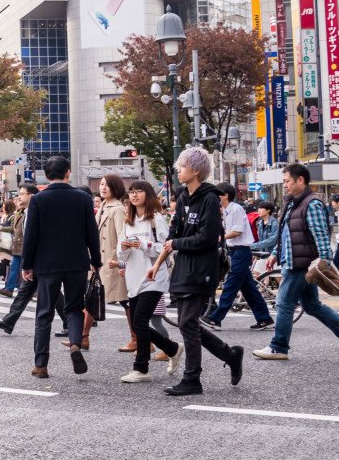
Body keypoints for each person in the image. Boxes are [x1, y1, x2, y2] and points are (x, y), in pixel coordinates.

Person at [150, 148, 245, 396]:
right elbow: (174, 232)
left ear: (195, 170)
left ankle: (192, 379)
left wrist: (177, 243)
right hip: (183, 267)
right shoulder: (183, 198)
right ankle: (230, 354)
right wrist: (159, 261)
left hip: (202, 268)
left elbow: (208, 237)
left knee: (187, 324)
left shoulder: (209, 199)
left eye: (182, 167)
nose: (178, 171)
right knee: (187, 323)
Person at [253, 162, 339, 363]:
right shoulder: (293, 202)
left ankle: (278, 346)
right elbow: (286, 234)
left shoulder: (312, 203)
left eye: (287, 181)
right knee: (312, 306)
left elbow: (321, 236)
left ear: (300, 180)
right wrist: (275, 253)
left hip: (303, 264)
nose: (285, 185)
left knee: (283, 303)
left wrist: (324, 262)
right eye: (283, 182)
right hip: (294, 260)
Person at [21, 157, 100, 379]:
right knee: (75, 307)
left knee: (44, 313)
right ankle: (75, 344)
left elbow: (31, 236)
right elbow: (91, 232)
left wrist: (27, 264)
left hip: (47, 264)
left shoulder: (38, 200)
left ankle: (41, 364)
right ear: (68, 172)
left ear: (46, 175)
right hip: (77, 262)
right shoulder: (83, 198)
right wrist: (96, 259)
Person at [113, 180, 180, 383]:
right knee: (138, 323)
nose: (134, 195)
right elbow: (121, 255)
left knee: (140, 321)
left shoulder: (156, 219)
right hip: (134, 279)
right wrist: (123, 249)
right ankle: (172, 348)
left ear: (147, 194)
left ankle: (141, 368)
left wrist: (144, 244)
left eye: (139, 191)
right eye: (131, 192)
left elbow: (167, 248)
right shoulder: (128, 222)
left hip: (154, 278)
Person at [203, 185, 274, 332]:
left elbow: (237, 231)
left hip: (241, 252)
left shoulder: (235, 209)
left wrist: (218, 238)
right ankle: (264, 318)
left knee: (230, 285)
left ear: (226, 195)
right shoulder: (227, 210)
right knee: (249, 289)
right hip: (235, 252)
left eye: (218, 194)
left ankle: (215, 318)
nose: (216, 197)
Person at [96, 174, 129, 349]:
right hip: (102, 260)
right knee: (92, 296)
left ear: (115, 187)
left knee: (124, 300)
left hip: (112, 262)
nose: (103, 188)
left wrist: (119, 262)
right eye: (101, 184)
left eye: (107, 185)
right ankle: (82, 337)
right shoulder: (103, 205)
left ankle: (137, 338)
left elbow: (122, 238)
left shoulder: (117, 209)